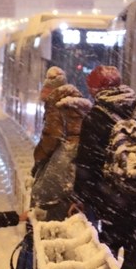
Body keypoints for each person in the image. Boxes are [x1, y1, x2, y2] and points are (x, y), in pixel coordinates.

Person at [72, 65, 136, 269]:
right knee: (134, 256)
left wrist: (81, 198)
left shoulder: (95, 117)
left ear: (95, 90)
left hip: (109, 202)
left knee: (106, 254)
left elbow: (87, 163)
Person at [30, 82, 92, 221]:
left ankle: (40, 234)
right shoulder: (85, 109)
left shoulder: (56, 106)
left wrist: (38, 157)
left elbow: (51, 138)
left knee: (44, 201)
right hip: (80, 167)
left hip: (62, 162)